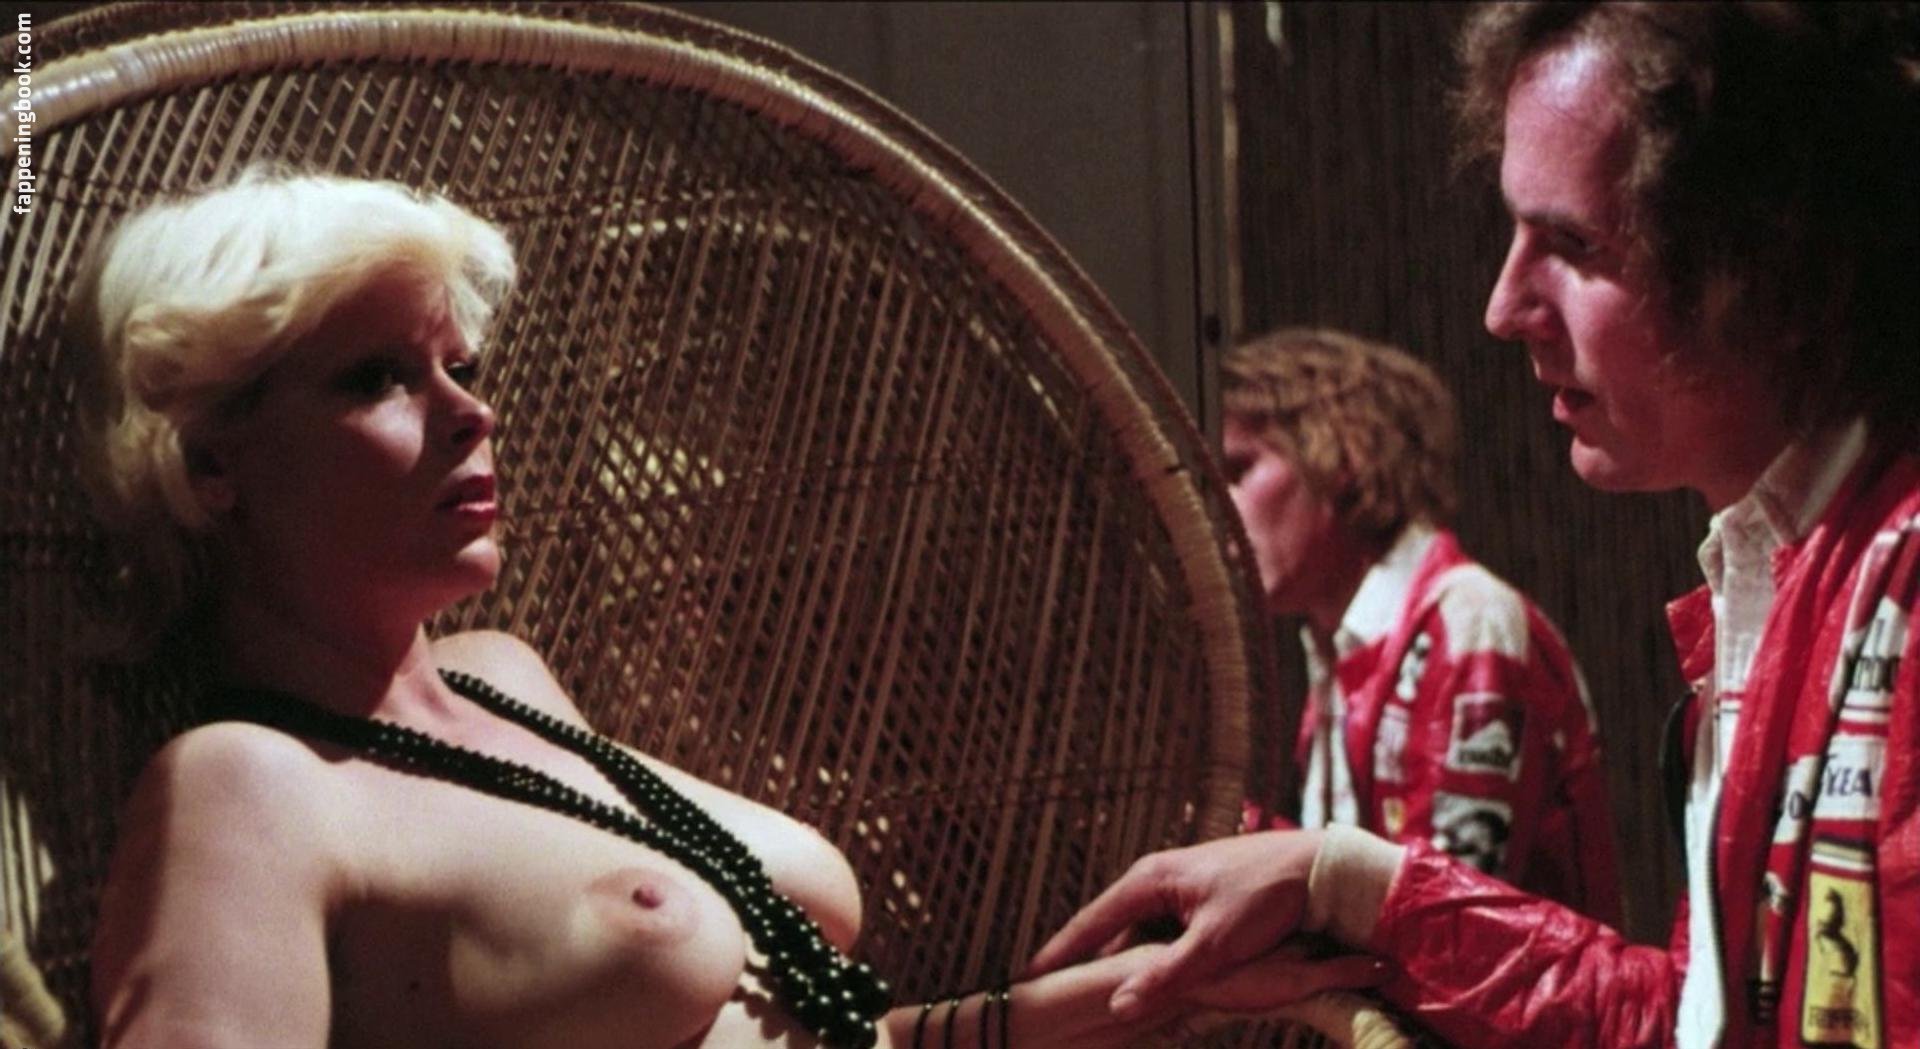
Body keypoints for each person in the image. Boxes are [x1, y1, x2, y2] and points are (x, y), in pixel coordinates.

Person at [75, 169, 1384, 1048]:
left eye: (460, 364)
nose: (472, 413)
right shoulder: (241, 789)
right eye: (374, 378)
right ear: (211, 460)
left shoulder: (500, 677)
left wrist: (1141, 994)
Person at [1029, 3, 1920, 1047]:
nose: (1501, 307)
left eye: (1573, 243)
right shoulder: (1779, 575)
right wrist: (1336, 878)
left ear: (1765, 259)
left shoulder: (1891, 574)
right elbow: (1691, 1022)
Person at [1223, 329, 1619, 921]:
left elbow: (1449, 921)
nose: (1218, 504)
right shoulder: (1344, 644)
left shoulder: (1467, 624)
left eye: (1238, 469)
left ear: (1342, 457)